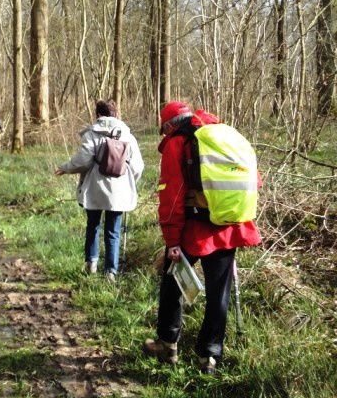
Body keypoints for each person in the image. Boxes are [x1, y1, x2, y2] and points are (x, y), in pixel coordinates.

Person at [142, 101, 261, 374]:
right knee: (219, 293)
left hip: (194, 228)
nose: (163, 136)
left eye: (163, 130)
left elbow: (170, 196)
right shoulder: (224, 135)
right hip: (229, 225)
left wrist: (171, 240)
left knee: (173, 281)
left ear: (170, 125)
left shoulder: (178, 143)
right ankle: (209, 356)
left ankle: (167, 343)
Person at [55, 99, 144, 283]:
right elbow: (137, 166)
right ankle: (111, 272)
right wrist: (129, 182)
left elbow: (83, 160)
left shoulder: (92, 133)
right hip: (119, 193)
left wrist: (66, 168)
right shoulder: (128, 135)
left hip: (95, 188)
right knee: (113, 230)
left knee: (93, 225)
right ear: (115, 114)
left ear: (97, 114)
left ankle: (91, 265)